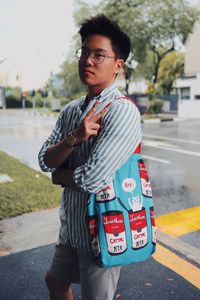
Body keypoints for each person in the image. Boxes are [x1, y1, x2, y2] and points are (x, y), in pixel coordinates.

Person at [38, 14, 142, 300]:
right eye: (84, 52)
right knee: (55, 282)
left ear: (118, 65)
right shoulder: (72, 111)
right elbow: (44, 159)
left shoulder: (123, 111)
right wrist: (75, 138)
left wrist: (60, 175)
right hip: (72, 228)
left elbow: (93, 179)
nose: (88, 60)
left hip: (104, 231)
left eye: (99, 55)